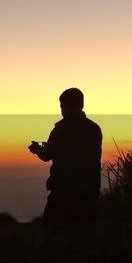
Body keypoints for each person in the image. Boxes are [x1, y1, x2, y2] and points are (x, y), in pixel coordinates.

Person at [28, 87, 103, 230]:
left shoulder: (61, 129)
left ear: (66, 106)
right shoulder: (94, 129)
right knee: (83, 235)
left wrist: (37, 149)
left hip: (63, 191)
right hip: (89, 191)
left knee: (51, 234)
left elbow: (47, 155)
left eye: (61, 106)